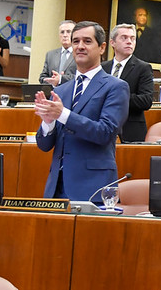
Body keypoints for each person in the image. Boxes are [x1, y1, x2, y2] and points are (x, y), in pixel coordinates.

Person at [34, 21, 130, 201]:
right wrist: (48, 122)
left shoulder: (116, 87)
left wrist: (62, 115)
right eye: (76, 41)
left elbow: (105, 133)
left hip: (93, 187)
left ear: (102, 47)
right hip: (56, 189)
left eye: (87, 41)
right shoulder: (61, 90)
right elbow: (44, 145)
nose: (80, 46)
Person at [101, 24, 154, 143]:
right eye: (124, 38)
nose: (129, 42)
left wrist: (116, 97)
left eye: (132, 38)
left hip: (131, 130)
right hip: (102, 128)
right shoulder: (103, 68)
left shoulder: (143, 68)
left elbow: (146, 100)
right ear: (112, 42)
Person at [39, 20, 76, 86]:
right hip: (53, 93)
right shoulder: (50, 55)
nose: (65, 35)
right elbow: (42, 77)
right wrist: (51, 81)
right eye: (62, 32)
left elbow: (81, 77)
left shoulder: (80, 54)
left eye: (68, 32)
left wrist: (61, 79)